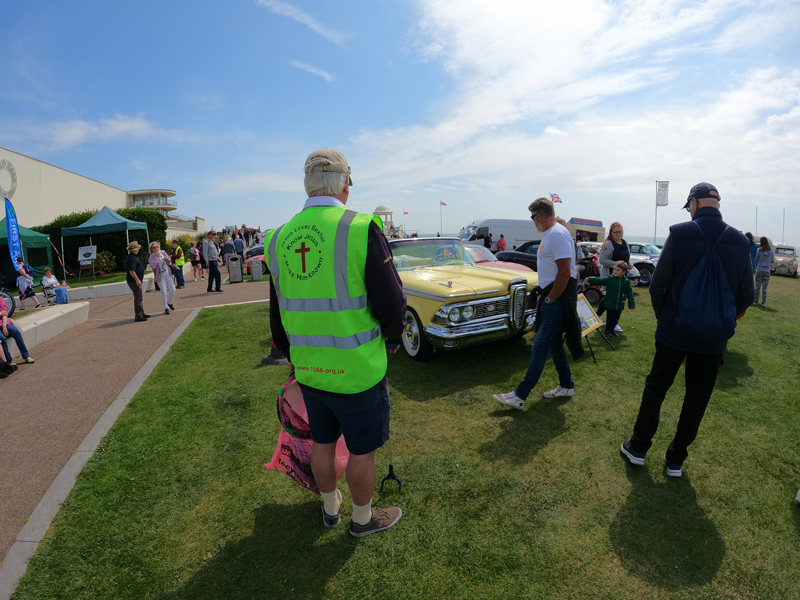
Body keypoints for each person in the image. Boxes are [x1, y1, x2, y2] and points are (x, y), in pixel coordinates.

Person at [266, 148, 407, 537]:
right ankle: (363, 519)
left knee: (323, 442)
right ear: (345, 182)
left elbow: (277, 313)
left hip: (310, 369)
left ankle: (330, 509)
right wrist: (393, 335)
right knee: (362, 449)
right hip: (357, 370)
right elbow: (392, 303)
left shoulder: (278, 238)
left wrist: (290, 353)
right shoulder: (360, 228)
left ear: (307, 185)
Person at [620, 183, 754, 477]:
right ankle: (676, 459)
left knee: (656, 389)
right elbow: (747, 295)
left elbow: (657, 285)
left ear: (694, 203)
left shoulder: (680, 233)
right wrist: (723, 319)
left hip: (674, 331)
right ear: (718, 205)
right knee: (697, 398)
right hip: (713, 339)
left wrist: (664, 318)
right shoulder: (740, 241)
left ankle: (638, 447)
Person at [493, 197, 584, 410]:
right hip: (551, 297)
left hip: (557, 300)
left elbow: (565, 272)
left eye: (533, 216)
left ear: (540, 216)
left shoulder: (557, 234)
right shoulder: (552, 234)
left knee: (539, 346)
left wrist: (551, 298)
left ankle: (520, 395)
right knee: (553, 344)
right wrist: (546, 296)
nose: (533, 220)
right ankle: (566, 385)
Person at [585, 260, 635, 337]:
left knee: (616, 319)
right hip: (610, 304)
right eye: (614, 269)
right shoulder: (610, 279)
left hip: (619, 304)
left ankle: (612, 330)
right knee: (610, 318)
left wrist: (631, 304)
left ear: (623, 272)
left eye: (618, 270)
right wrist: (590, 279)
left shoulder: (626, 282)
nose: (615, 271)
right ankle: (607, 331)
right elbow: (600, 280)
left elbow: (630, 293)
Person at [0, 293, 34, 363]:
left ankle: (26, 356)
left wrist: (4, 326)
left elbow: (5, 312)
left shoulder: (0, 299)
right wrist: (1, 313)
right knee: (2, 339)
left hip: (4, 323)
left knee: (16, 332)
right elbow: (2, 312)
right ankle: (9, 360)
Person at [149, 241, 176, 314]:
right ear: (151, 249)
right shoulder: (152, 256)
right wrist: (156, 258)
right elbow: (153, 266)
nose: (156, 249)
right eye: (154, 248)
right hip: (160, 276)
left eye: (157, 247)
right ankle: (166, 307)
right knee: (164, 292)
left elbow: (169, 261)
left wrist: (166, 259)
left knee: (173, 289)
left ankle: (170, 302)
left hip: (168, 273)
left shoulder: (163, 252)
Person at [125, 241, 149, 322]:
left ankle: (141, 313)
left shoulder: (133, 257)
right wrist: (137, 280)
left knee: (139, 297)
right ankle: (138, 315)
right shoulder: (132, 258)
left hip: (134, 281)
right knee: (138, 298)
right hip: (134, 281)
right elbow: (132, 271)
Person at [754, 236, 774, 306]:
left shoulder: (759, 250)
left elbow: (756, 259)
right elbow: (773, 260)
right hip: (767, 270)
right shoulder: (771, 251)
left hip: (759, 269)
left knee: (757, 286)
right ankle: (763, 302)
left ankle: (755, 301)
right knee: (765, 288)